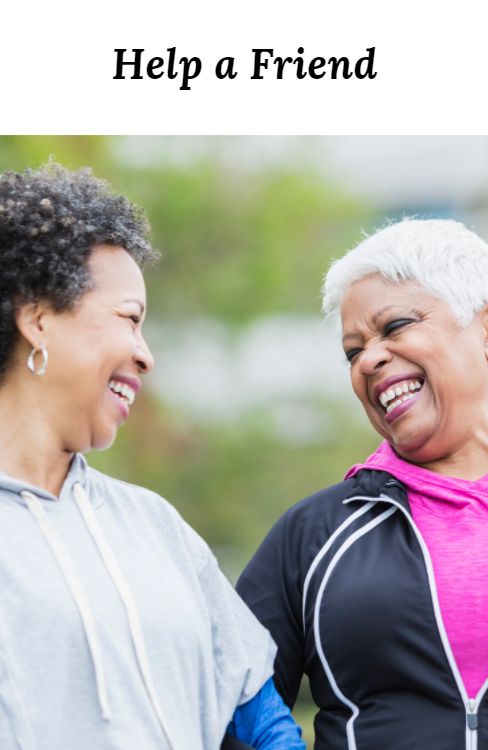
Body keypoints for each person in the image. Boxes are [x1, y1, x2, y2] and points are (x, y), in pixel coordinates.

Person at [0, 164, 305, 750]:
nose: (145, 356)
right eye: (130, 319)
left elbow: (258, 715)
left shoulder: (155, 526)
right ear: (37, 318)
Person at [237, 218, 488, 750]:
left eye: (396, 326)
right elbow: (229, 695)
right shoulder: (312, 535)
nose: (369, 360)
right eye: (353, 351)